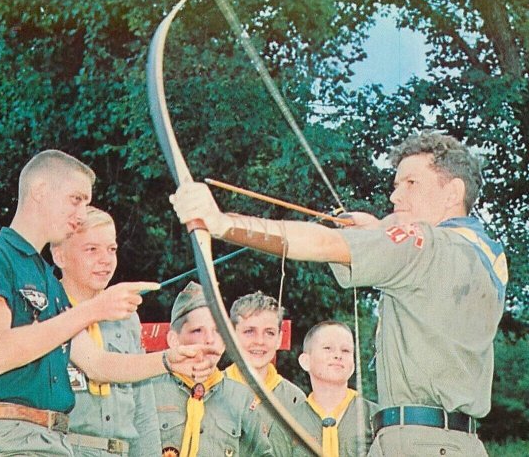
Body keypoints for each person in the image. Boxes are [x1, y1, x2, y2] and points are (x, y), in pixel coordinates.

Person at [170, 132, 508, 456]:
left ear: (452, 192)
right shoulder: (483, 254)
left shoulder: (426, 246)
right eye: (396, 185)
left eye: (411, 183)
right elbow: (427, 264)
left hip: (418, 444)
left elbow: (324, 242)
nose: (395, 196)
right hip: (454, 441)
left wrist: (220, 223)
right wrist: (379, 232)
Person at [0, 150, 216, 456]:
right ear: (39, 192)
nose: (80, 215)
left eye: (86, 203)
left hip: (56, 441)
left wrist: (169, 360)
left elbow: (97, 364)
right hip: (8, 439)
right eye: (76, 200)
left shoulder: (49, 282)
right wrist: (95, 309)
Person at [50, 206, 161, 457]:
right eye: (92, 249)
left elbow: (143, 407)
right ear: (60, 256)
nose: (106, 259)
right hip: (62, 448)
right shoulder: (46, 310)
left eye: (112, 249)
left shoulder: (126, 316)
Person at [143, 281, 273, 457]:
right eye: (198, 331)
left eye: (218, 331)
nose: (210, 340)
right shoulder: (148, 391)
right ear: (174, 340)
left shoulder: (240, 398)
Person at [269, 321, 378, 457]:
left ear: (353, 365)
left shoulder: (376, 417)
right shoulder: (287, 422)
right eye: (328, 348)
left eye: (346, 350)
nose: (338, 355)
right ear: (305, 361)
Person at [225, 291, 306, 436]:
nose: (260, 341)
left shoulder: (294, 399)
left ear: (279, 339)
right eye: (249, 331)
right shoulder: (212, 391)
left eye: (269, 333)